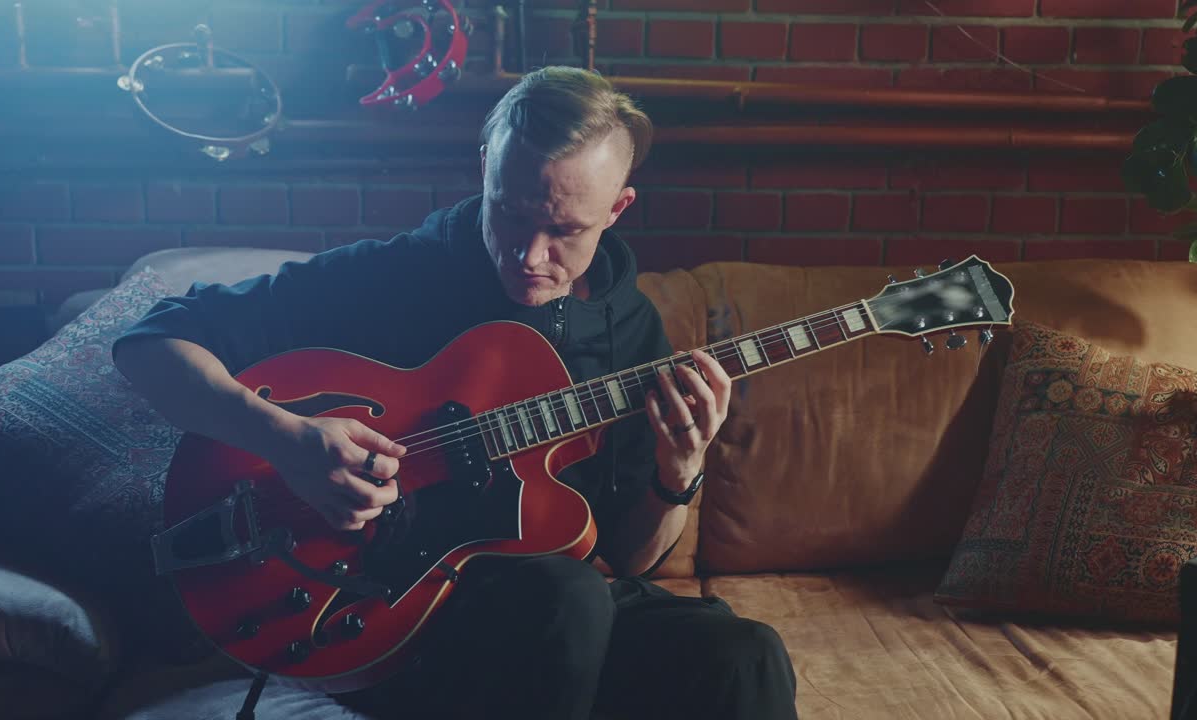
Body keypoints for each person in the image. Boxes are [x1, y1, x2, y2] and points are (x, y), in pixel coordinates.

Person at [112, 65, 798, 720]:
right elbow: (150, 344)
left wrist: (678, 473)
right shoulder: (395, 275)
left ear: (617, 208)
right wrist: (286, 440)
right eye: (509, 214)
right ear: (485, 170)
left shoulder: (630, 330)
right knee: (567, 597)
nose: (530, 256)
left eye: (563, 231)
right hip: (383, 611)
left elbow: (633, 556)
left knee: (744, 655)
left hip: (553, 619)